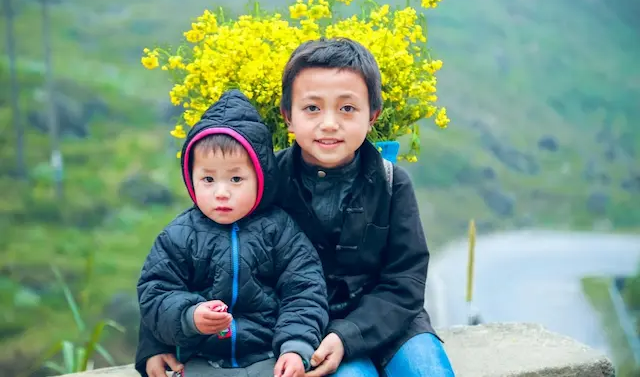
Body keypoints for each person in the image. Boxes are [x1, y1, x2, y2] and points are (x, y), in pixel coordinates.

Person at [138, 37, 455, 376]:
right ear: (288, 117)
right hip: (308, 329)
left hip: (392, 322)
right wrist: (155, 344)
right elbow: (194, 253)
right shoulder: (262, 182)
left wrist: (348, 335)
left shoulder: (393, 183)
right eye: (312, 108)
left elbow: (405, 280)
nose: (329, 123)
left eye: (347, 108)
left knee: (428, 370)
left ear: (372, 117)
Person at [136, 89, 329, 377]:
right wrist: (190, 317)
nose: (221, 192)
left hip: (270, 358)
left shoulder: (280, 230)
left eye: (236, 178)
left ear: (261, 177)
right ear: (191, 177)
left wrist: (295, 346)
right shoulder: (179, 235)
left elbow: (305, 291)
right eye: (208, 179)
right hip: (201, 359)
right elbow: (156, 293)